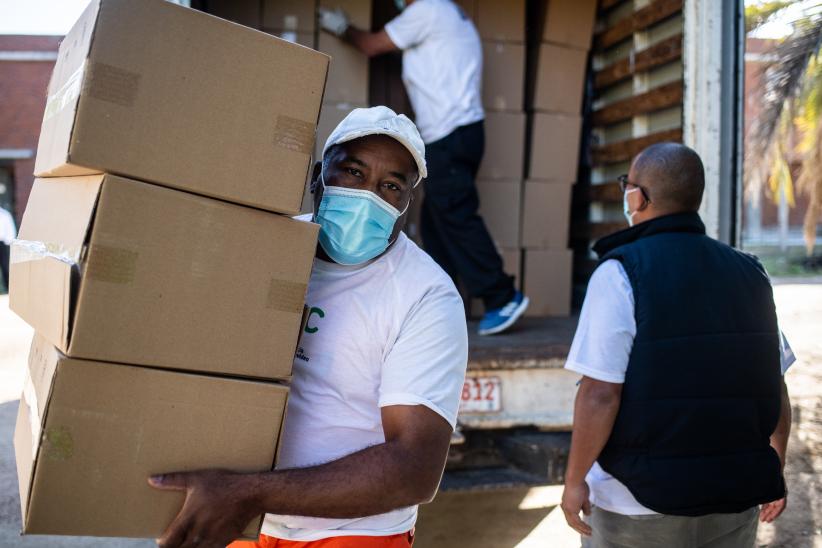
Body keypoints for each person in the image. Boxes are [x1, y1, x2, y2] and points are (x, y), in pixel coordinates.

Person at [148, 107, 468, 548]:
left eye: (391, 186)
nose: (368, 196)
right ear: (319, 175)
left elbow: (414, 468)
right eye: (353, 172)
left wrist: (247, 493)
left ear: (406, 203)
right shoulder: (269, 249)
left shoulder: (426, 295)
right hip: (235, 519)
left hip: (348, 534)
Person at [560, 143, 794, 548]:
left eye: (627, 185)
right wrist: (775, 464)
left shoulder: (621, 272)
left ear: (639, 197)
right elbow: (775, 384)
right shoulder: (750, 274)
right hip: (732, 502)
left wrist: (573, 481)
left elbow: (599, 394)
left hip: (635, 507)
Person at [317, 0, 528, 335]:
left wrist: (342, 27)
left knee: (456, 215)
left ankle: (501, 296)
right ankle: (440, 306)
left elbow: (372, 45)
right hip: (461, 133)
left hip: (450, 135)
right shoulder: (448, 13)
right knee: (435, 223)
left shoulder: (428, 9)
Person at [0, 207, 16, 292]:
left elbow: (10, 229)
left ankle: (9, 289)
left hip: (2, 243)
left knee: (5, 267)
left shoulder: (4, 214)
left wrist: (9, 241)